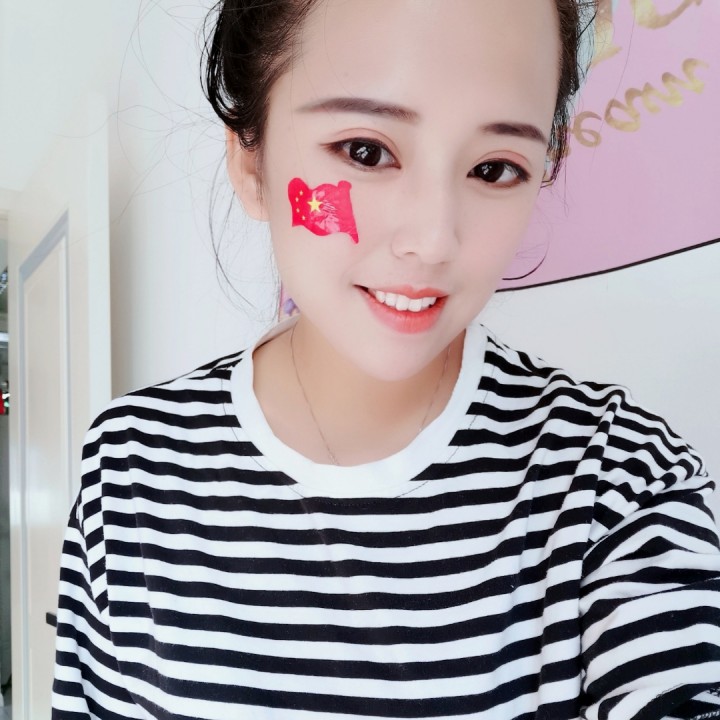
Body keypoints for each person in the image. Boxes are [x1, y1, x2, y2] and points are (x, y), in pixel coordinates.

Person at [51, 1, 720, 718]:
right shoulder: (130, 465)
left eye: (495, 168)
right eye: (366, 151)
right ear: (251, 159)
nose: (433, 239)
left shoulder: (618, 482)